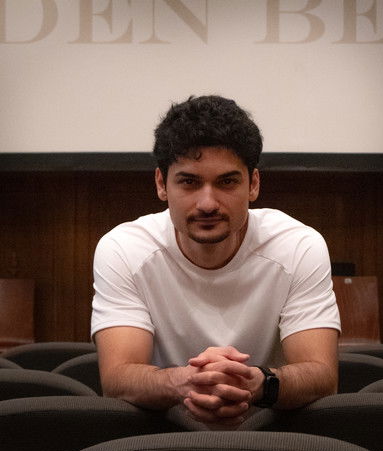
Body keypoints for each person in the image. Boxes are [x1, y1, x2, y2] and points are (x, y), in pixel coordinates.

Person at [91, 95, 340, 428]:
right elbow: (117, 378)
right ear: (161, 184)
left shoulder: (298, 246)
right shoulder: (124, 249)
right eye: (189, 182)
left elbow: (322, 376)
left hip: (271, 435)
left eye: (227, 182)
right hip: (164, 437)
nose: (207, 203)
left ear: (253, 184)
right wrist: (184, 382)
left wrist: (258, 384)